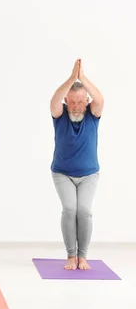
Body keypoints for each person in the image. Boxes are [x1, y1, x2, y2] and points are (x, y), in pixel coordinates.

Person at [50, 59, 104, 271]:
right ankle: (71, 256)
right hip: (62, 173)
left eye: (80, 102)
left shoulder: (93, 114)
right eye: (72, 101)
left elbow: (100, 99)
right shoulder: (60, 114)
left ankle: (83, 257)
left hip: (89, 174)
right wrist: (72, 78)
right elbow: (54, 100)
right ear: (67, 100)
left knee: (84, 211)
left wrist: (83, 78)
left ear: (86, 101)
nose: (76, 106)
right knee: (70, 208)